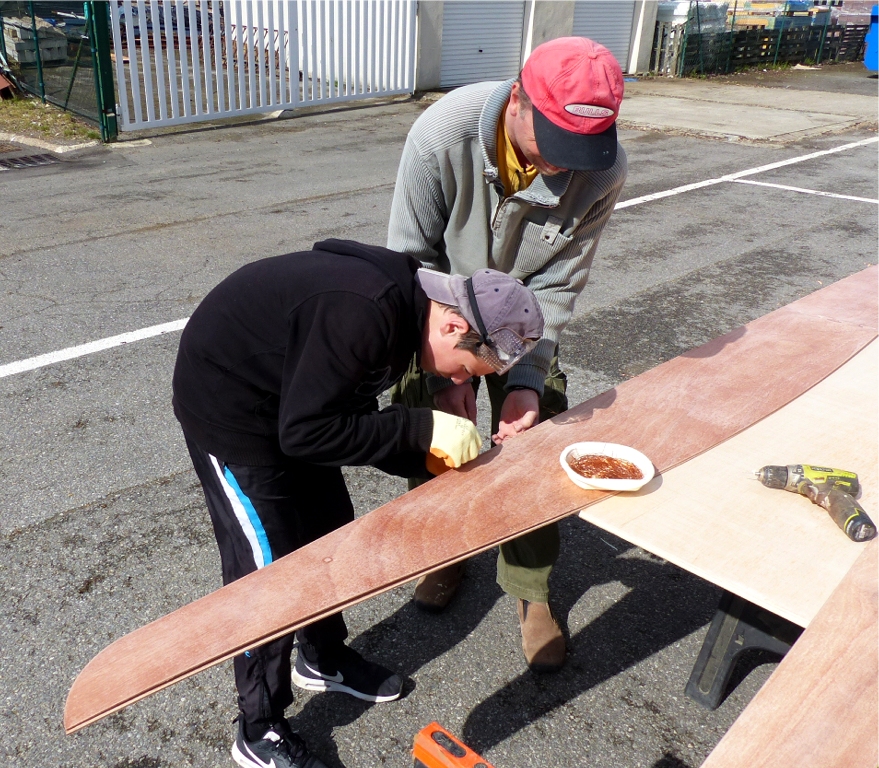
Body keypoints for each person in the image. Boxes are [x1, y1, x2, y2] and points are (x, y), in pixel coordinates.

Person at [172, 238, 544, 768]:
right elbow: (306, 433)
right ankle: (258, 727)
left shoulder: (409, 312)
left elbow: (344, 417)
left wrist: (426, 458)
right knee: (269, 572)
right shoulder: (365, 313)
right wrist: (419, 427)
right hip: (232, 410)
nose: (458, 381)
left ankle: (321, 657)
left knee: (330, 529)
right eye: (466, 370)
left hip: (293, 403)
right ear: (454, 326)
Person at [387, 36, 628, 673]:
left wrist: (522, 382)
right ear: (517, 100)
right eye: (551, 141)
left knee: (540, 432)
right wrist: (445, 374)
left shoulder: (601, 170)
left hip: (522, 319)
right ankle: (443, 551)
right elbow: (411, 258)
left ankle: (529, 588)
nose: (560, 166)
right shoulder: (443, 133)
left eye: (578, 149)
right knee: (429, 427)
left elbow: (559, 284)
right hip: (443, 306)